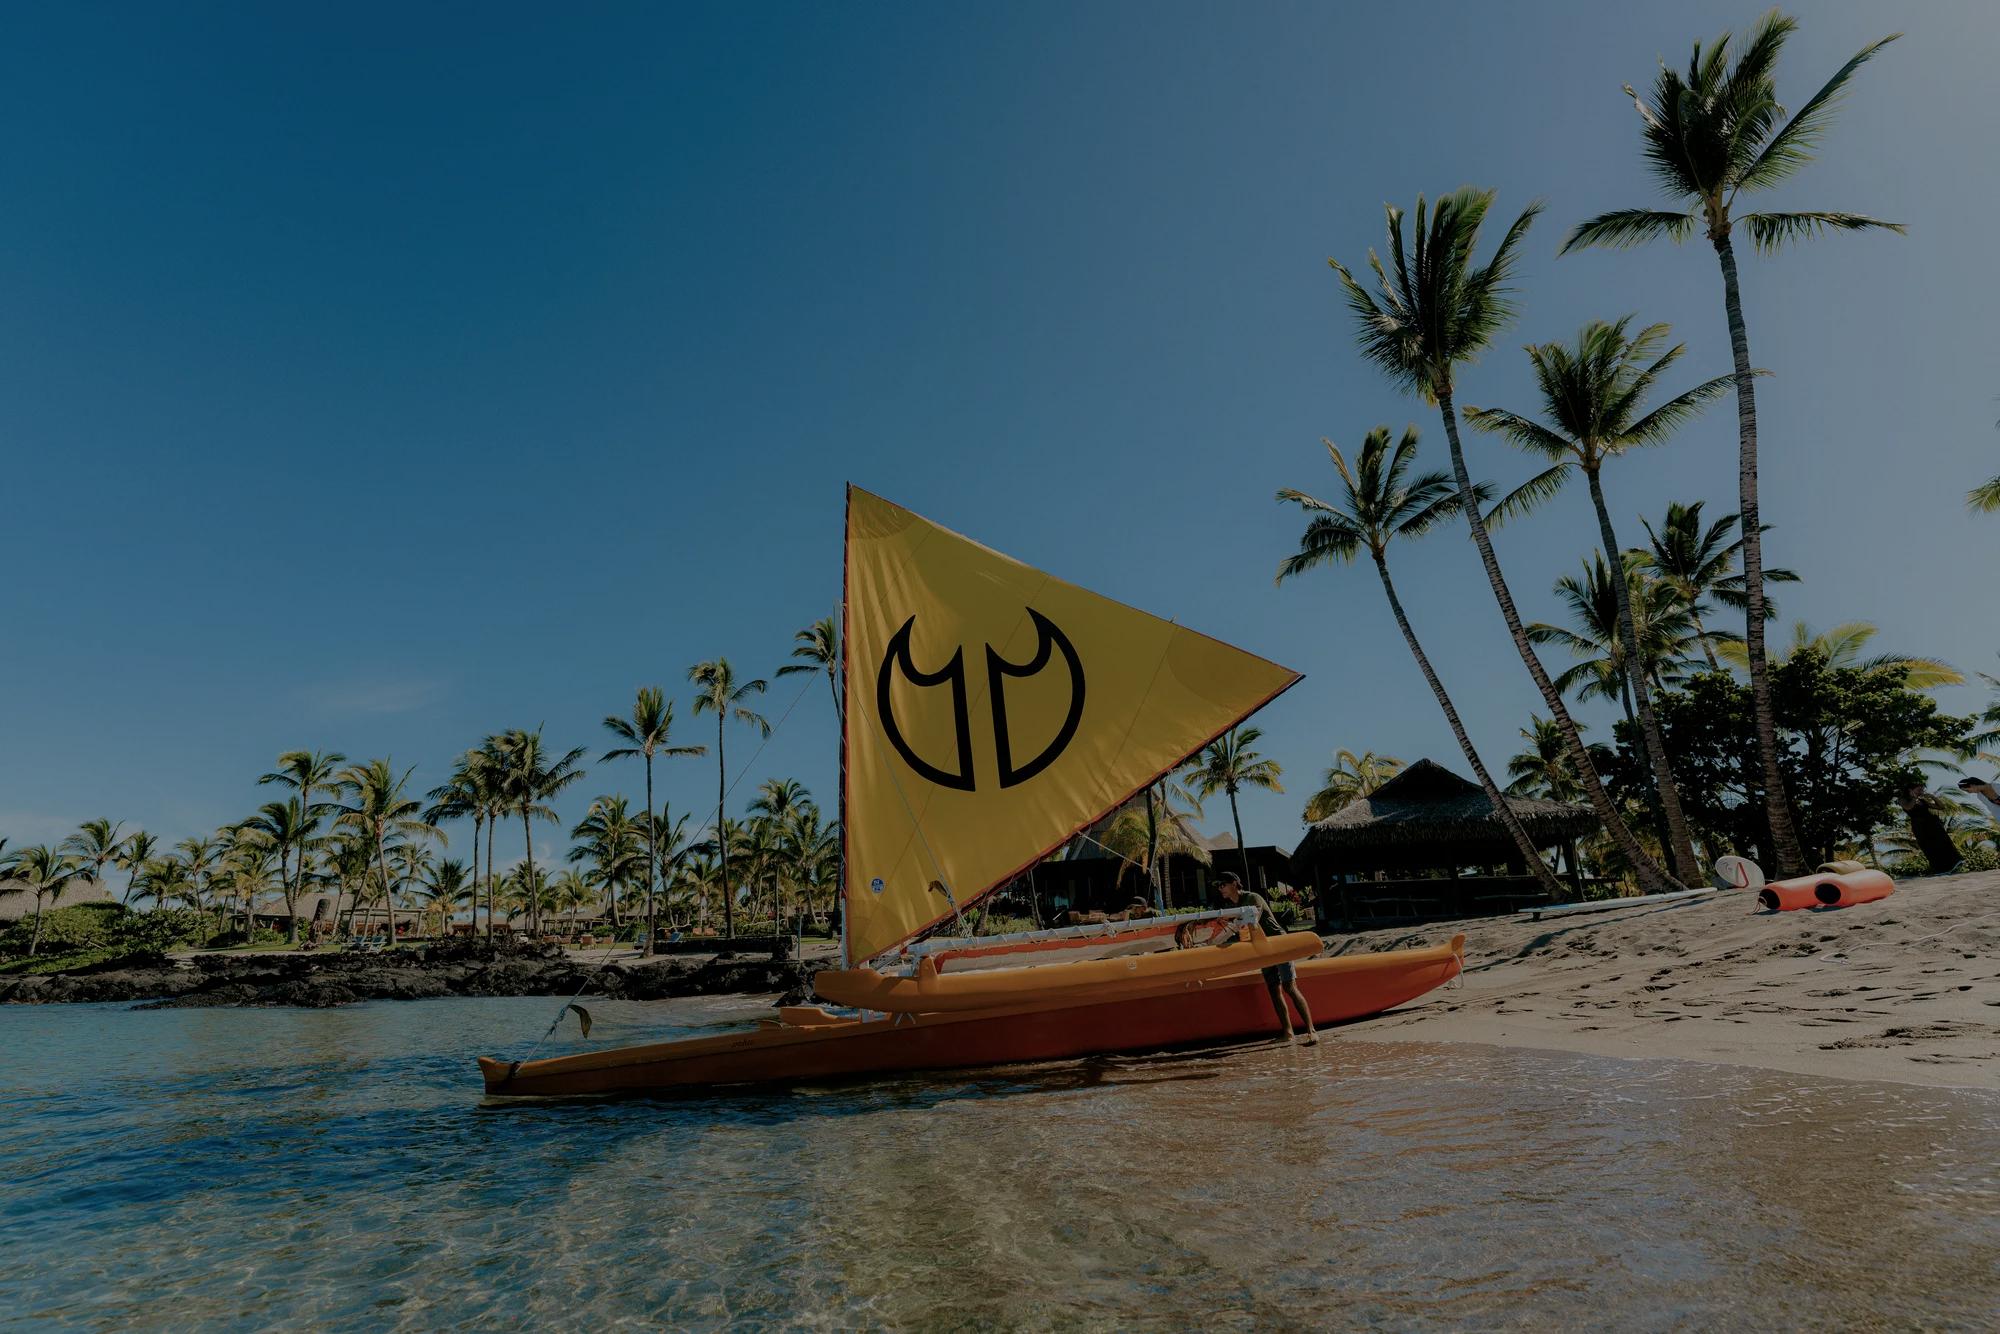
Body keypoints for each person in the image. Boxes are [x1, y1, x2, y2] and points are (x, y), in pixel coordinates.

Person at [1213, 870, 1317, 1045]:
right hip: (1262, 948)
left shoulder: (1252, 897)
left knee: (1289, 987)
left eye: (1222, 885)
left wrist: (1230, 917)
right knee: (1273, 990)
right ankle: (1288, 1033)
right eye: (1218, 886)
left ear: (1234, 883)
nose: (1220, 888)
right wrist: (1213, 942)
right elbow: (1234, 929)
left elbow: (1253, 918)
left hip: (1278, 944)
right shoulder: (1234, 906)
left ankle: (1311, 1031)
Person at [1898, 783, 1962, 875]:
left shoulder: (1922, 801)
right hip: (1920, 826)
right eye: (1919, 790)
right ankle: (1940, 869)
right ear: (1910, 790)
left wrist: (1932, 797)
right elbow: (1908, 807)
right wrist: (1914, 797)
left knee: (1943, 843)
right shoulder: (1902, 799)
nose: (1921, 792)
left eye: (1922, 790)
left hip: (1932, 824)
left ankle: (1952, 865)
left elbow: (1941, 807)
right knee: (1929, 847)